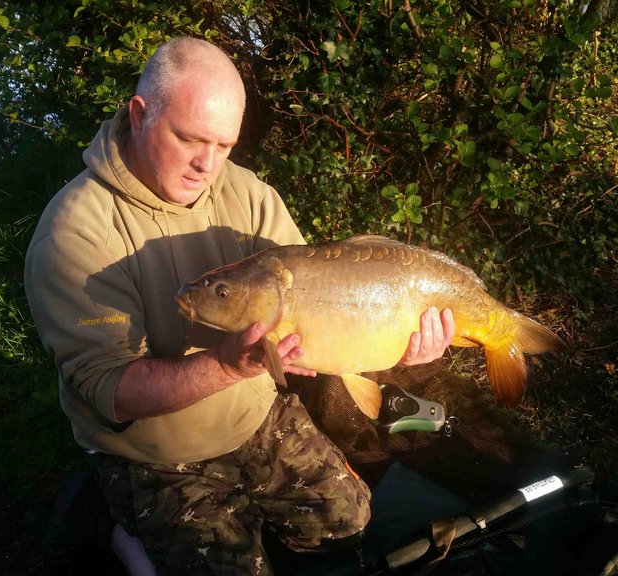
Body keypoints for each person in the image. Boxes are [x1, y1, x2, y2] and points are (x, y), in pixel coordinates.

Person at [24, 37, 456, 575]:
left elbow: (316, 301)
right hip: (152, 448)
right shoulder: (75, 235)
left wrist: (395, 344)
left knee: (350, 522)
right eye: (189, 139)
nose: (207, 164)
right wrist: (228, 366)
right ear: (138, 115)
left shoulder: (247, 193)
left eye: (224, 145)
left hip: (254, 413)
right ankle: (110, 520)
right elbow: (112, 391)